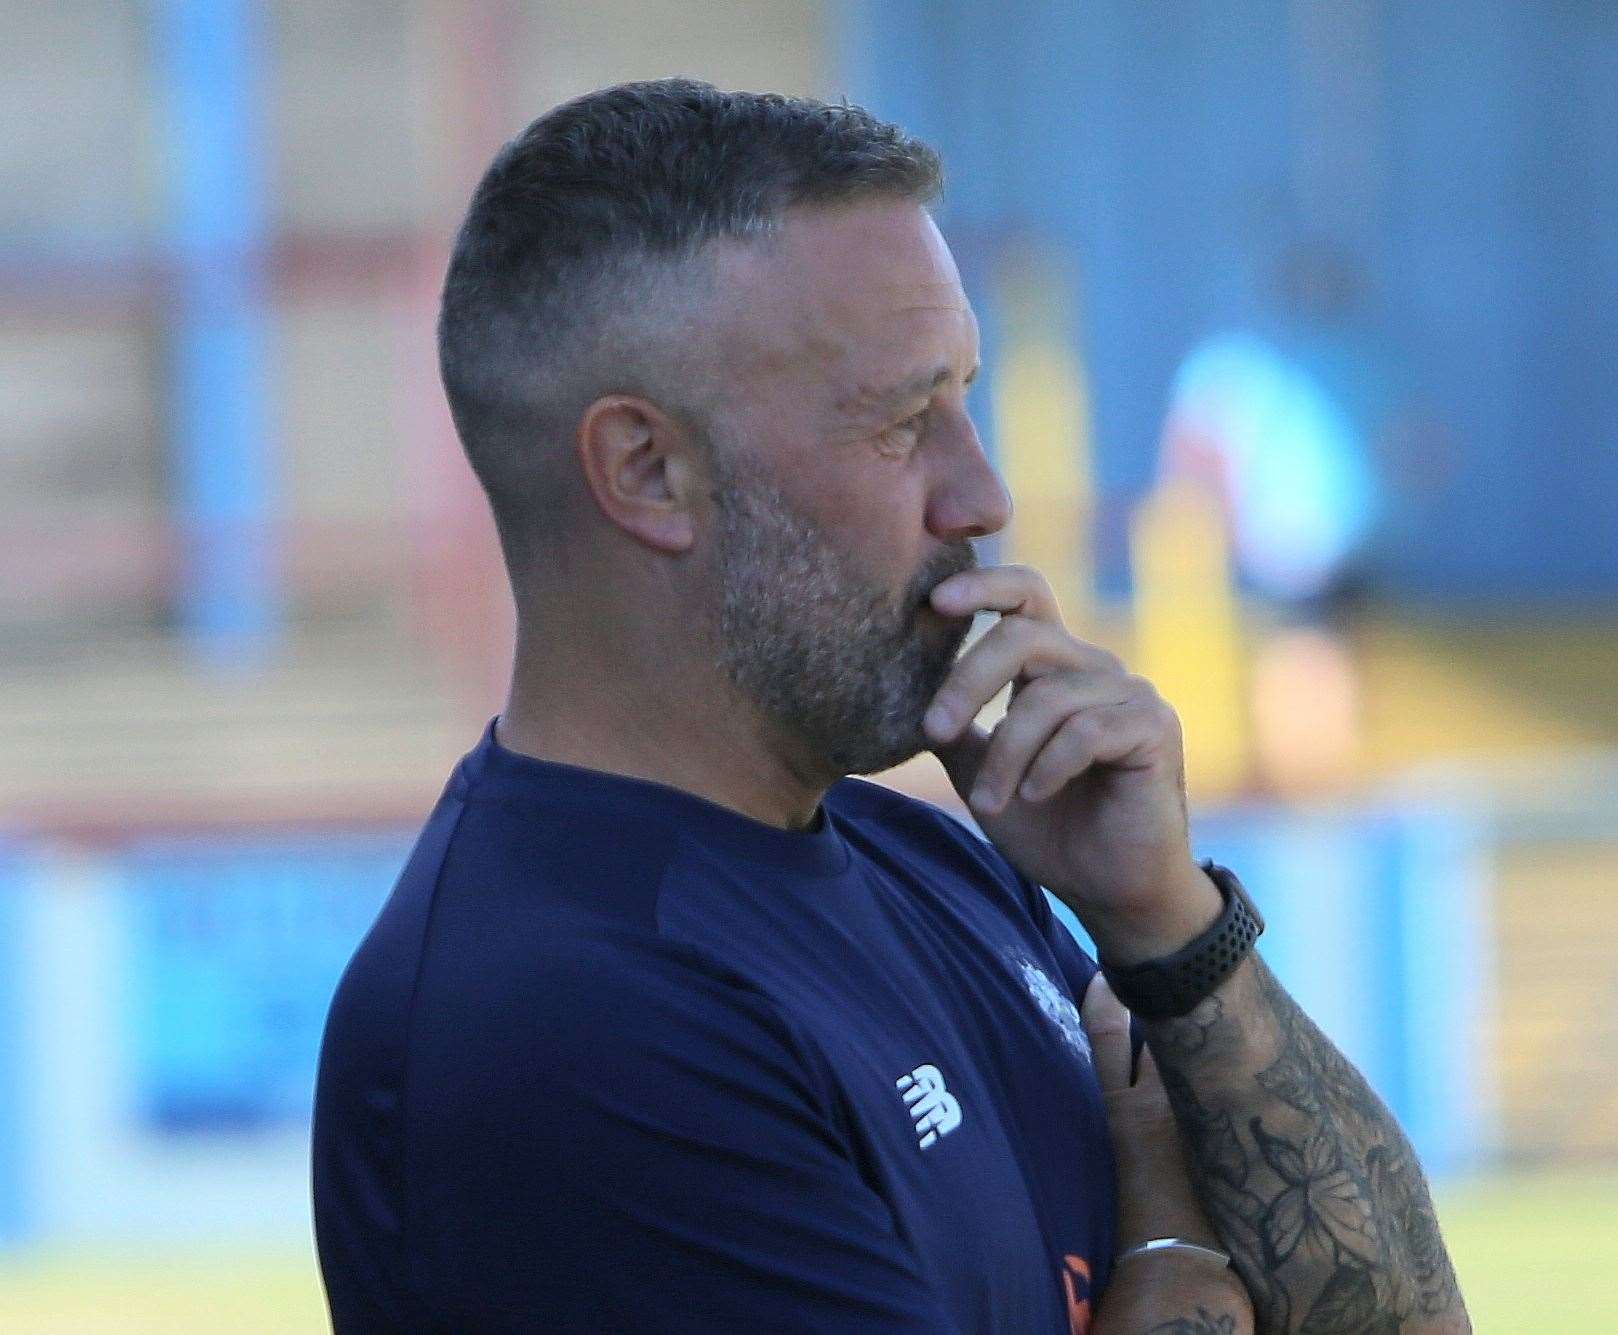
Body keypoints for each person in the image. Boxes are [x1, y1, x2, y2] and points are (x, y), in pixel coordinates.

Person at [312, 81, 1468, 1334]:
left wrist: (1171, 935)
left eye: (964, 401)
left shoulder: (936, 861)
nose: (980, 497)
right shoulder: (566, 1021)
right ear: (649, 471)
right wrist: (1172, 1245)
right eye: (900, 423)